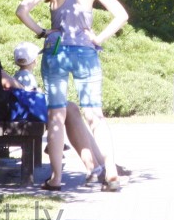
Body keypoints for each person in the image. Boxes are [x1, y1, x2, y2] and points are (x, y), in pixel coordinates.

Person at [16, 0, 129, 192]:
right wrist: (98, 37)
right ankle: (111, 173)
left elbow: (21, 10)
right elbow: (122, 15)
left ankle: (55, 178)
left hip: (56, 51)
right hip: (86, 54)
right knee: (94, 114)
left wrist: (43, 31)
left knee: (56, 113)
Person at [13, 40, 107, 181]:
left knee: (66, 108)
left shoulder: (17, 75)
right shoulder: (27, 76)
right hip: (30, 112)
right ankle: (93, 165)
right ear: (34, 61)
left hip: (23, 109)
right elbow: (29, 94)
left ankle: (97, 164)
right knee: (64, 109)